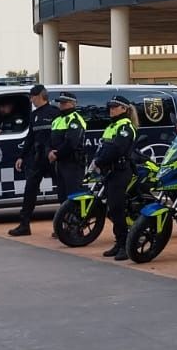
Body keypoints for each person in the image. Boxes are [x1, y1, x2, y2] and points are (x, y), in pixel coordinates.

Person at [92, 96, 139, 260]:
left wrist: (99, 161)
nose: (111, 109)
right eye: (110, 106)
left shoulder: (125, 127)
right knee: (112, 209)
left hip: (120, 171)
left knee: (118, 209)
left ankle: (125, 245)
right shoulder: (112, 126)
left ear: (124, 109)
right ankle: (119, 243)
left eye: (115, 107)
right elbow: (104, 147)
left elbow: (117, 149)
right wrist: (97, 160)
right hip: (110, 172)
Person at [9, 85, 59, 237]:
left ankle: (66, 225)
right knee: (29, 190)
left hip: (53, 157)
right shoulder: (34, 115)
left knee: (63, 190)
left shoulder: (55, 113)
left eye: (32, 96)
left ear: (40, 96)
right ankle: (24, 225)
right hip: (38, 158)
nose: (31, 99)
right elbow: (30, 137)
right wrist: (21, 156)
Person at [47, 92, 86, 206]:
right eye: (60, 103)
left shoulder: (75, 119)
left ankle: (75, 221)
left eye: (64, 103)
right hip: (60, 163)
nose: (61, 105)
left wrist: (56, 154)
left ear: (72, 104)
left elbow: (71, 142)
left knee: (73, 194)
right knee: (62, 195)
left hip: (72, 163)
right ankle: (65, 222)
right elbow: (50, 139)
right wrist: (49, 151)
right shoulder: (57, 120)